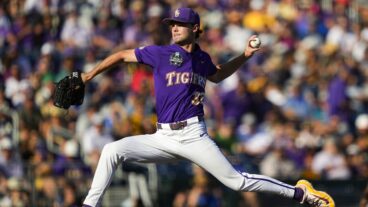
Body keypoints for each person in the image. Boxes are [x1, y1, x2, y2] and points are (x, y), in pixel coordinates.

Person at [80, 7, 335, 207]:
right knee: (112, 150)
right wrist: (89, 76)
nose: (174, 28)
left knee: (237, 182)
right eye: (172, 24)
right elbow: (122, 55)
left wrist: (244, 56)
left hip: (193, 135)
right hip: (163, 136)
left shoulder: (202, 59)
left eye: (180, 24)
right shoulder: (161, 53)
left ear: (195, 28)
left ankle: (301, 194)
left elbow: (218, 75)